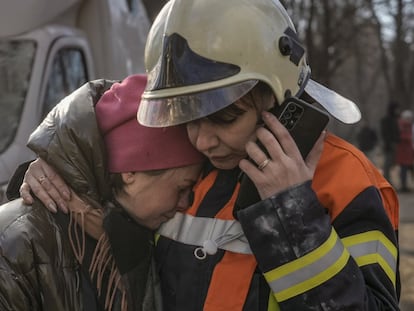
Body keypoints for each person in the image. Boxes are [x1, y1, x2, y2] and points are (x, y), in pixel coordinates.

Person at [11, 1, 400, 310]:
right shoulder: (189, 166)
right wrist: (63, 162)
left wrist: (293, 213)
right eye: (186, 118)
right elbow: (112, 109)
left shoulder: (348, 182)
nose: (201, 141)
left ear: (280, 97)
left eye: (223, 118)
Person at [0, 74, 205, 311]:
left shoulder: (137, 237)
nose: (185, 203)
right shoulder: (13, 245)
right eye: (182, 187)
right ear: (131, 172)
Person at [380, 101, 401, 183]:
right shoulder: (386, 120)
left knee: (391, 164)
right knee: (387, 164)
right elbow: (385, 133)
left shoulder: (394, 119)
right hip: (388, 145)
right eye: (396, 109)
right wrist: (389, 143)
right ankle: (386, 180)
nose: (398, 111)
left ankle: (388, 179)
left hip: (393, 144)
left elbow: (396, 132)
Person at [395, 109, 414, 192]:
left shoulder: (410, 126)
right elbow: (402, 137)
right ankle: (403, 186)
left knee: (408, 170)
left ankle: (404, 185)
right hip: (404, 152)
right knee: (404, 170)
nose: (409, 119)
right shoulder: (402, 126)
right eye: (407, 118)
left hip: (409, 152)